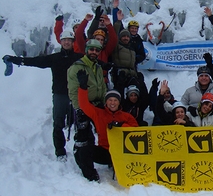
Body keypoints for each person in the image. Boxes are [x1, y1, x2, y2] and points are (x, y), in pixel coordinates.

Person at [3, 30, 82, 161]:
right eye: (64, 40)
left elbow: (95, 63)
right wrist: (15, 60)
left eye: (69, 40)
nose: (67, 42)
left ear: (73, 42)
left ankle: (80, 150)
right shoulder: (54, 58)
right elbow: (35, 61)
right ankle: (60, 152)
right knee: (58, 124)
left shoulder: (79, 58)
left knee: (80, 123)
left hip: (75, 95)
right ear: (61, 42)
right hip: (59, 95)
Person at [76, 70, 138, 182]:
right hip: (106, 151)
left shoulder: (126, 116)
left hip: (124, 153)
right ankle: (91, 176)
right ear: (106, 102)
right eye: (110, 100)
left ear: (119, 102)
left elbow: (136, 132)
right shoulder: (99, 114)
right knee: (83, 151)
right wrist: (83, 87)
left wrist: (121, 126)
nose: (112, 103)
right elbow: (84, 105)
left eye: (115, 100)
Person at [67, 39, 107, 180]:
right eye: (92, 49)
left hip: (97, 105)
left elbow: (102, 87)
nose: (94, 52)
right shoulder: (76, 67)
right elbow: (72, 91)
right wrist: (78, 109)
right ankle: (87, 170)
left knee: (101, 134)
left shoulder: (97, 67)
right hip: (84, 105)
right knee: (84, 137)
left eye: (97, 50)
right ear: (86, 50)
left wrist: (104, 103)